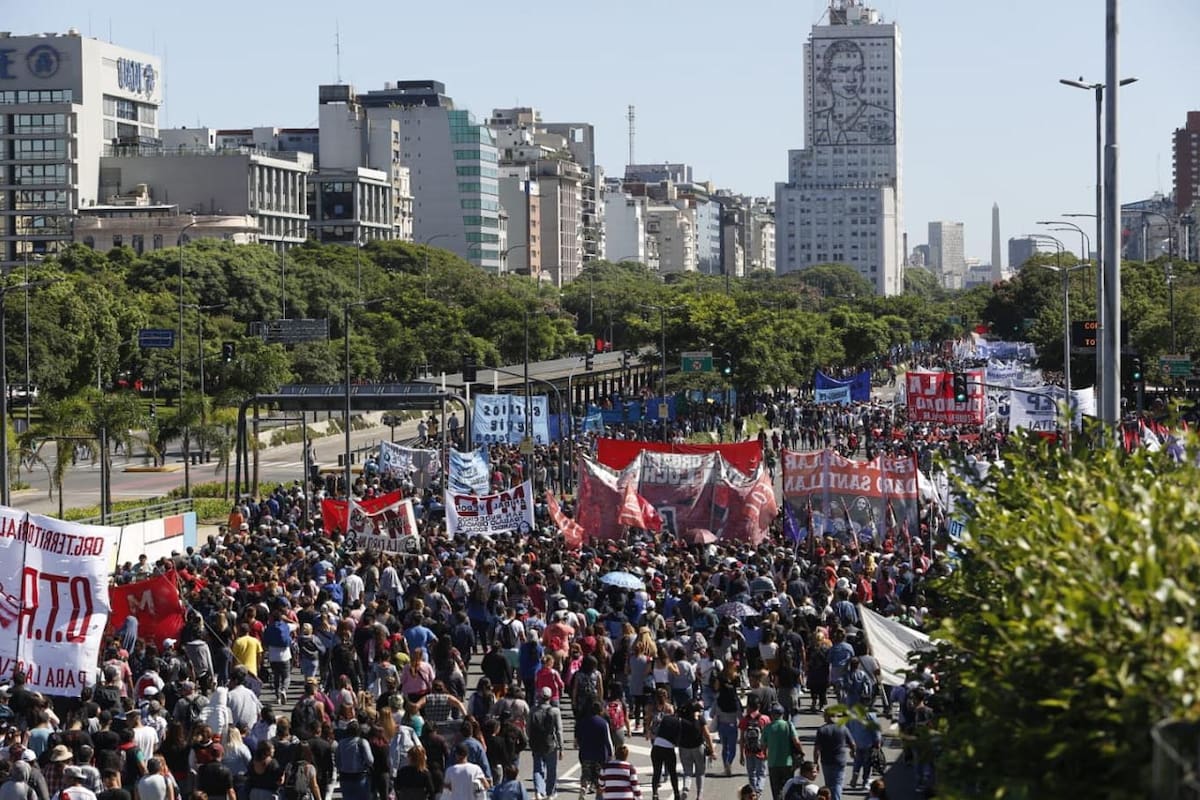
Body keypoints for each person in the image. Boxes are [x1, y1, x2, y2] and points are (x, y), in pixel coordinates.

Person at [811, 709, 855, 800]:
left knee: (829, 784)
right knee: (837, 783)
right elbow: (853, 744)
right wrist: (852, 752)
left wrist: (815, 762)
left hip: (826, 761)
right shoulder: (843, 728)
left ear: (827, 716)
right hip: (840, 760)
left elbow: (817, 749)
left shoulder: (822, 730)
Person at [528, 687, 563, 800]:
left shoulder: (533, 710)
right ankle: (550, 793)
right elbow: (559, 730)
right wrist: (561, 746)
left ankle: (539, 791)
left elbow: (528, 728)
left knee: (538, 769)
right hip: (550, 744)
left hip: (536, 743)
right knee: (551, 769)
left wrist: (530, 739)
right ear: (550, 697)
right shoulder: (555, 711)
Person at [761, 704, 802, 800]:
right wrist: (801, 752)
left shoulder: (768, 727)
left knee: (776, 790)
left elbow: (763, 745)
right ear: (783, 714)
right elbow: (796, 742)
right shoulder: (788, 725)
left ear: (772, 715)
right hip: (788, 762)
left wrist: (765, 753)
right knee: (788, 788)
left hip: (773, 763)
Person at [578, 700, 616, 799]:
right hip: (600, 755)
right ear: (601, 710)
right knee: (600, 780)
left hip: (585, 753)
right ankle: (599, 797)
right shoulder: (603, 723)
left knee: (585, 773)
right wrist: (611, 754)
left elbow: (579, 738)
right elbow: (608, 740)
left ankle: (583, 787)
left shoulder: (583, 722)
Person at [675, 702, 713, 800]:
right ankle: (699, 795)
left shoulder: (681, 719)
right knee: (700, 772)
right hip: (698, 747)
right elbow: (707, 735)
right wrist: (712, 750)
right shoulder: (700, 719)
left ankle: (685, 789)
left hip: (684, 748)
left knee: (687, 771)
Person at [739, 695, 771, 797]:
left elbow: (742, 739)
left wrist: (741, 754)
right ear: (759, 706)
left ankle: (752, 793)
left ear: (748, 706)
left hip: (748, 751)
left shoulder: (744, 720)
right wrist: (768, 750)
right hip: (761, 751)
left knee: (751, 773)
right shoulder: (765, 719)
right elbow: (767, 737)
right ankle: (758, 792)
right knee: (761, 774)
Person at [335, 720, 374, 800]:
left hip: (344, 777)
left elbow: (337, 760)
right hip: (359, 777)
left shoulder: (341, 743)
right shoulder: (362, 742)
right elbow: (370, 760)